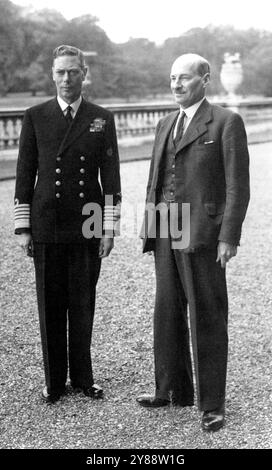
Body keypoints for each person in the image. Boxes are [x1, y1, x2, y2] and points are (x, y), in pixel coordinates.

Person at [137, 53, 250, 431]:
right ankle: (172, 390)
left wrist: (227, 236)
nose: (176, 85)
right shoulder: (165, 123)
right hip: (166, 230)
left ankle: (212, 404)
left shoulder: (225, 122)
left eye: (184, 78)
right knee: (167, 312)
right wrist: (150, 230)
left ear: (205, 79)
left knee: (207, 316)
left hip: (202, 234)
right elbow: (156, 178)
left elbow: (238, 186)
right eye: (172, 78)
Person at [14, 45, 121, 404]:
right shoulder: (35, 116)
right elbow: (24, 175)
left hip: (87, 224)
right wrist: (24, 227)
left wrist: (108, 229)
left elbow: (112, 180)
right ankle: (54, 381)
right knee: (50, 304)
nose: (66, 79)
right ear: (53, 75)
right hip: (46, 224)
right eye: (60, 72)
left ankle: (83, 377)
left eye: (73, 72)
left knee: (83, 303)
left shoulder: (101, 117)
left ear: (84, 73)